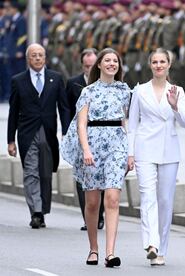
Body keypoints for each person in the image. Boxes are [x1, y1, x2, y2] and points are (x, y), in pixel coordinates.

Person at [61, 48, 130, 268]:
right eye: (107, 60)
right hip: (92, 146)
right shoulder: (88, 91)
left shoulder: (124, 90)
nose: (112, 64)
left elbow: (129, 122)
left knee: (112, 198)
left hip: (116, 145)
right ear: (98, 64)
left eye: (115, 61)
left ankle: (110, 252)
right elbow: (81, 124)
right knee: (92, 202)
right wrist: (86, 149)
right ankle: (94, 248)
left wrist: (129, 152)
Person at [127, 48, 185, 266]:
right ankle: (151, 244)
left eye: (162, 61)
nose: (159, 65)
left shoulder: (177, 90)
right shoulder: (139, 91)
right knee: (147, 196)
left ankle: (162, 249)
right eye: (155, 62)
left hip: (169, 149)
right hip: (145, 148)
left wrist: (174, 107)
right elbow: (132, 124)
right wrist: (130, 153)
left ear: (169, 64)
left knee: (165, 200)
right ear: (150, 65)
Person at [7, 43, 70, 229]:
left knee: (45, 173)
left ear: (45, 58)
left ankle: (42, 209)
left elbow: (64, 107)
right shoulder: (18, 80)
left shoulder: (56, 78)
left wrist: (66, 132)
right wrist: (10, 140)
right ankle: (36, 212)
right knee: (31, 172)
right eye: (33, 55)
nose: (37, 58)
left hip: (49, 133)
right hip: (27, 133)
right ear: (28, 59)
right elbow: (13, 111)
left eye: (40, 55)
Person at [66, 48, 105, 231]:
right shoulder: (73, 83)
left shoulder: (109, 84)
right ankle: (88, 217)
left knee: (103, 177)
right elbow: (66, 109)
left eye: (92, 65)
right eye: (86, 66)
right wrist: (68, 132)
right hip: (80, 135)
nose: (89, 69)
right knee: (83, 176)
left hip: (103, 137)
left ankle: (100, 213)